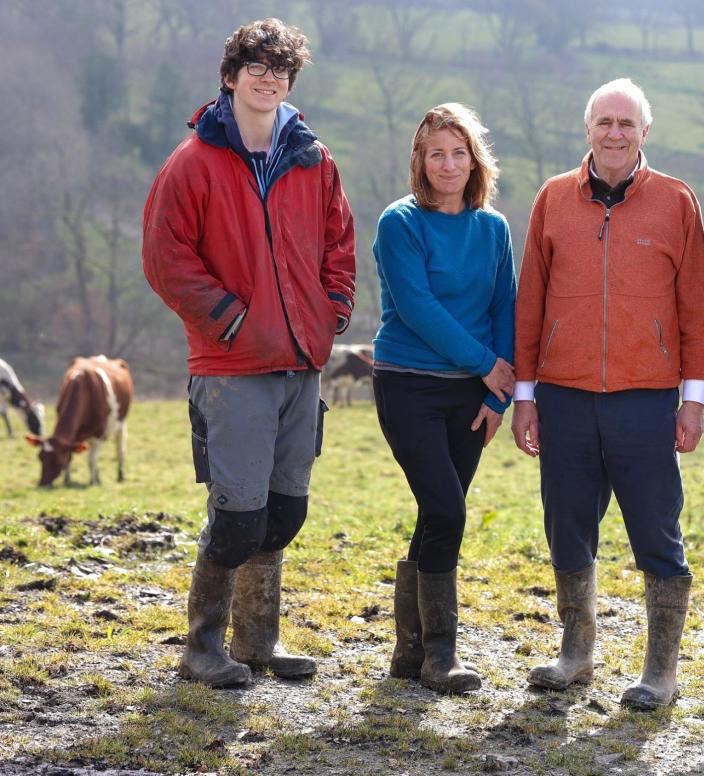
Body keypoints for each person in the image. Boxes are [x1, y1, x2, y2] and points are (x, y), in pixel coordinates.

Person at [142, 18, 356, 688]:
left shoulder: (313, 161)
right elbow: (166, 261)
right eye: (256, 67)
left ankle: (258, 644)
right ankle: (202, 650)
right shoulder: (192, 164)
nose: (269, 78)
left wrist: (330, 316)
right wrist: (230, 321)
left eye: (281, 69)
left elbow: (339, 247)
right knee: (236, 520)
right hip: (231, 370)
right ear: (230, 77)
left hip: (302, 363)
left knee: (282, 513)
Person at [511, 78, 704, 710]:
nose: (615, 132)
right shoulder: (552, 199)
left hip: (646, 398)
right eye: (604, 121)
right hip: (564, 395)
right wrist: (525, 393)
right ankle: (576, 654)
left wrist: (694, 398)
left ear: (644, 132)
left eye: (627, 123)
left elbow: (698, 309)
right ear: (588, 129)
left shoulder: (676, 201)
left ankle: (661, 670)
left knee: (657, 528)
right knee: (567, 526)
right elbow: (530, 302)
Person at [371, 103, 516, 695]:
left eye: (459, 152)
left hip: (472, 399)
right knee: (449, 509)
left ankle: (410, 654)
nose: (448, 164)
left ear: (475, 160)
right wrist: (489, 366)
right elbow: (418, 308)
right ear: (420, 161)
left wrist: (499, 396)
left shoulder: (494, 228)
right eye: (437, 153)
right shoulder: (399, 223)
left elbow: (506, 306)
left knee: (438, 513)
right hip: (408, 384)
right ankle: (441, 656)